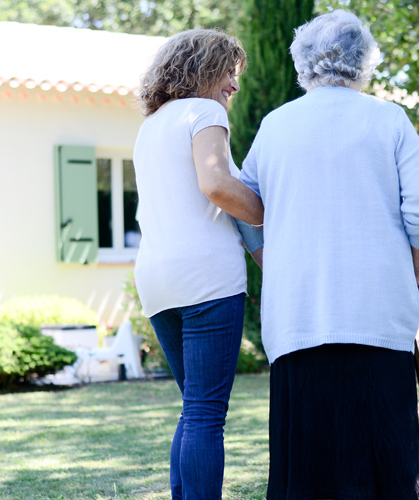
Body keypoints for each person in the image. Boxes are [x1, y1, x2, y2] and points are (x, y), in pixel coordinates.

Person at [239, 11, 419, 500]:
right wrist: (412, 270)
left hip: (298, 319)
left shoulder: (275, 125)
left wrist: (276, 265)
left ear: (302, 61)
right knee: (387, 471)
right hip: (378, 317)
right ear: (364, 60)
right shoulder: (387, 118)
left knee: (304, 474)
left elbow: (243, 208)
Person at [132, 28, 263, 500]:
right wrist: (277, 215)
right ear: (204, 68)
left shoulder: (151, 126)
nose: (234, 84)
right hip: (207, 278)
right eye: (229, 71)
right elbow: (216, 185)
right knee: (206, 413)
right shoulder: (204, 111)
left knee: (194, 410)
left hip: (156, 280)